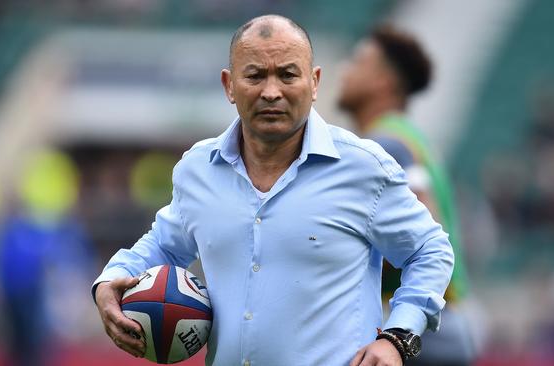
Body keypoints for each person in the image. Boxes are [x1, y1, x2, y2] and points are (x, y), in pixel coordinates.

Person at [93, 15, 454, 366]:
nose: (271, 91)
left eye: (287, 74)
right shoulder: (198, 169)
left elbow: (430, 250)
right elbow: (163, 245)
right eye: (255, 75)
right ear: (229, 85)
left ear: (314, 83)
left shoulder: (363, 166)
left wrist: (398, 337)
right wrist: (110, 279)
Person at [338, 25, 475, 365]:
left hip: (412, 335)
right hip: (444, 328)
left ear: (383, 82)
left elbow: (423, 231)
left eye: (357, 62)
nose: (344, 70)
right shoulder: (407, 137)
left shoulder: (384, 145)